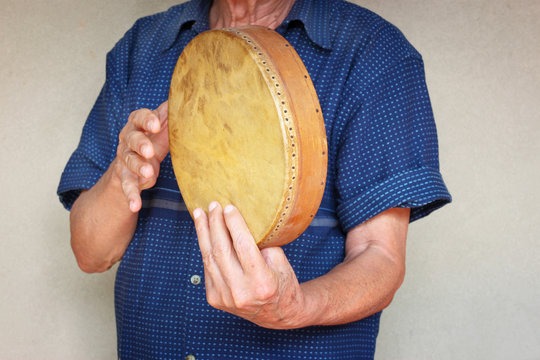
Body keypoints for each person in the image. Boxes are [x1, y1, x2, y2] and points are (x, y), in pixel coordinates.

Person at [57, 0, 451, 359]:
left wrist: (297, 306)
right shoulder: (142, 46)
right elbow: (90, 254)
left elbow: (381, 259)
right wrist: (125, 172)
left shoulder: (372, 51)